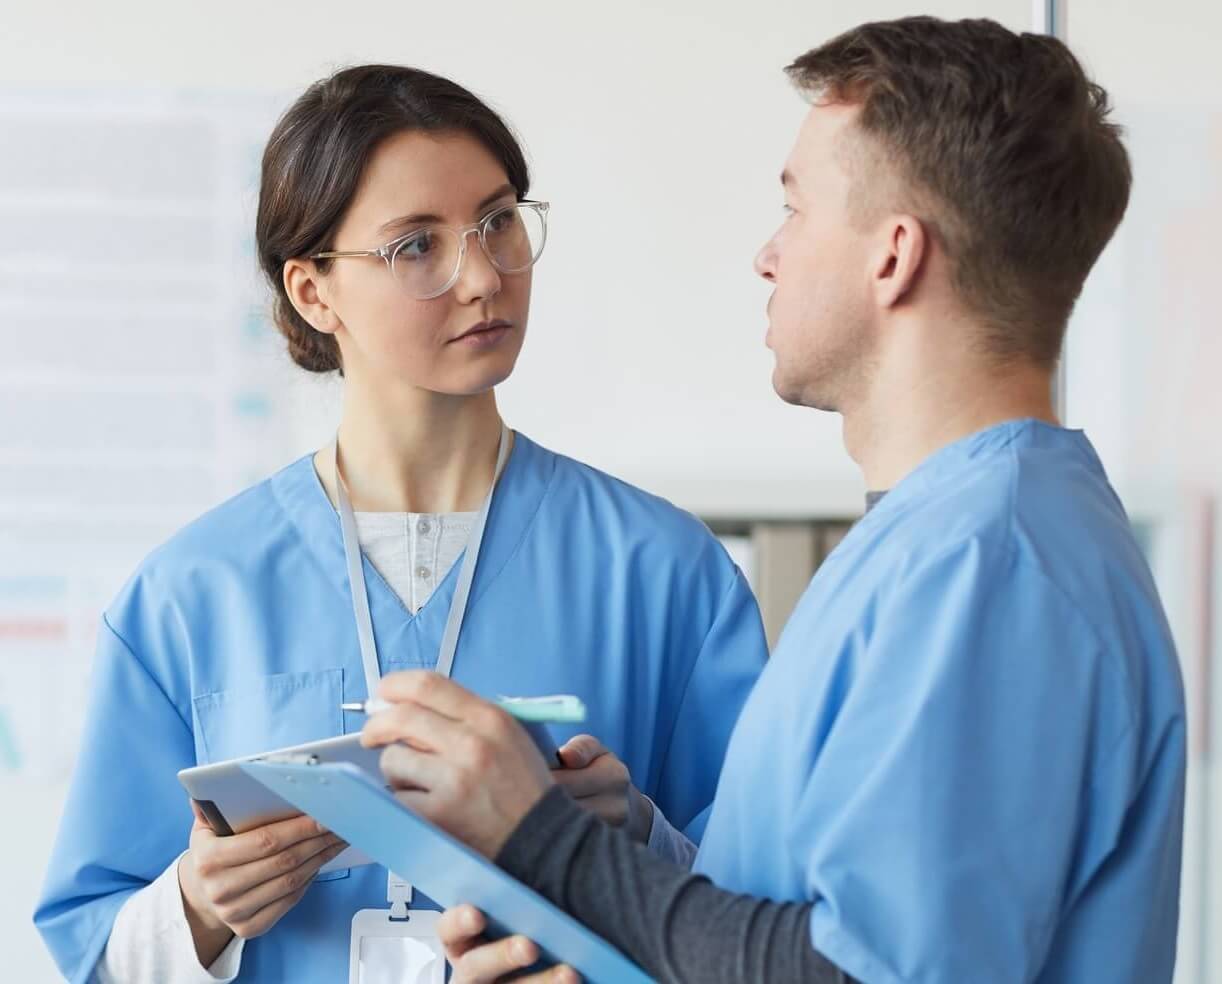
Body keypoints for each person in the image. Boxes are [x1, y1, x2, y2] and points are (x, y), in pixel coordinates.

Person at [361, 18, 1187, 984]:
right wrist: (626, 862)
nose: (767, 254)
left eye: (795, 210)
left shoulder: (986, 565)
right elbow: (810, 918)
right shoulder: (947, 539)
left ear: (894, 258)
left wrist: (543, 841)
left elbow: (861, 974)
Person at [34, 65, 767, 984]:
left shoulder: (664, 571)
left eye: (498, 223)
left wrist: (636, 839)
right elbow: (91, 948)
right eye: (416, 246)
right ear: (312, 292)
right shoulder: (191, 592)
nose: (481, 277)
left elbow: (773, 928)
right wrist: (200, 907)